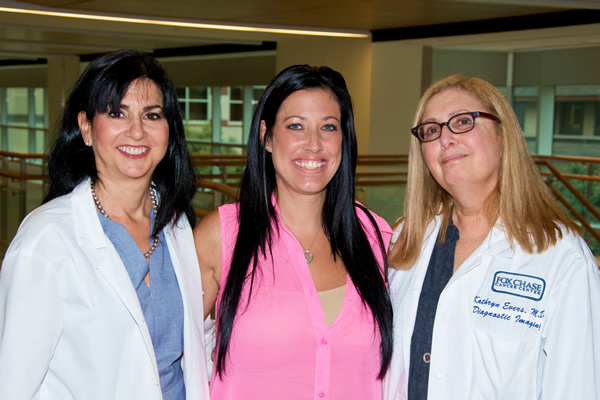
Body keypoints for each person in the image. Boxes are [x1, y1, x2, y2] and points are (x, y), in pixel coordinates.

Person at [0, 50, 210, 400]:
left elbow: (190, 339)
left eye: (152, 115)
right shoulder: (46, 241)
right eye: (117, 113)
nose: (137, 131)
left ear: (168, 130)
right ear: (85, 127)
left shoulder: (178, 226)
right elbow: (12, 383)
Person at [383, 74, 600, 399]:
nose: (445, 139)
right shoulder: (405, 242)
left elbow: (577, 387)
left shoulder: (561, 257)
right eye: (431, 130)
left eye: (462, 121)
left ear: (502, 135)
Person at [194, 64, 393, 399]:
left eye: (328, 127)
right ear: (266, 136)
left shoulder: (376, 237)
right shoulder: (223, 235)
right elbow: (165, 349)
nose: (313, 145)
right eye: (296, 126)